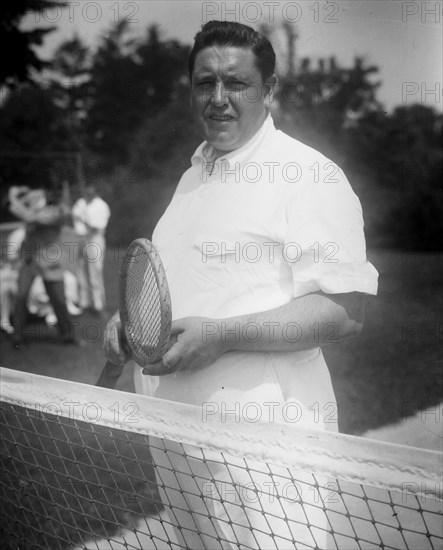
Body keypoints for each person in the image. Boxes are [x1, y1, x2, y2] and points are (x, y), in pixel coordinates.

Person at [104, 21, 378, 549]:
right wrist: (132, 322)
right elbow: (189, 284)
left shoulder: (308, 175)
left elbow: (344, 311)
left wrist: (222, 335)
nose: (219, 99)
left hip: (263, 456)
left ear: (268, 90)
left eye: (237, 84)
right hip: (177, 438)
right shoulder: (192, 178)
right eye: (205, 83)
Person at [9, 185, 80, 347]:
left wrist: (14, 196)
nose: (31, 202)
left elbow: (29, 216)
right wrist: (17, 197)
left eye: (34, 199)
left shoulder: (55, 213)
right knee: (20, 297)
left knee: (59, 301)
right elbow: (18, 210)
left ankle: (68, 335)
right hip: (29, 261)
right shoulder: (35, 212)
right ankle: (17, 337)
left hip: (50, 263)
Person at [72, 183, 110, 315]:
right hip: (80, 239)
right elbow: (72, 216)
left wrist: (83, 218)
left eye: (91, 189)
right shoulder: (81, 202)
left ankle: (99, 305)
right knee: (80, 271)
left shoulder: (102, 206)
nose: (88, 191)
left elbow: (95, 228)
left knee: (95, 272)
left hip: (95, 240)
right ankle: (84, 302)